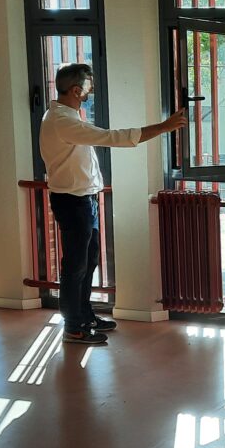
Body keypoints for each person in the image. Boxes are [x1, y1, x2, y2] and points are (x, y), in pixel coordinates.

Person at [40, 62, 186, 345]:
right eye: (88, 86)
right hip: (72, 202)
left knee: (88, 262)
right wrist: (163, 127)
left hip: (83, 200)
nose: (91, 90)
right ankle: (73, 327)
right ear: (75, 90)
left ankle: (84, 316)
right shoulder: (62, 121)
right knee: (75, 267)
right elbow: (111, 137)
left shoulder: (68, 116)